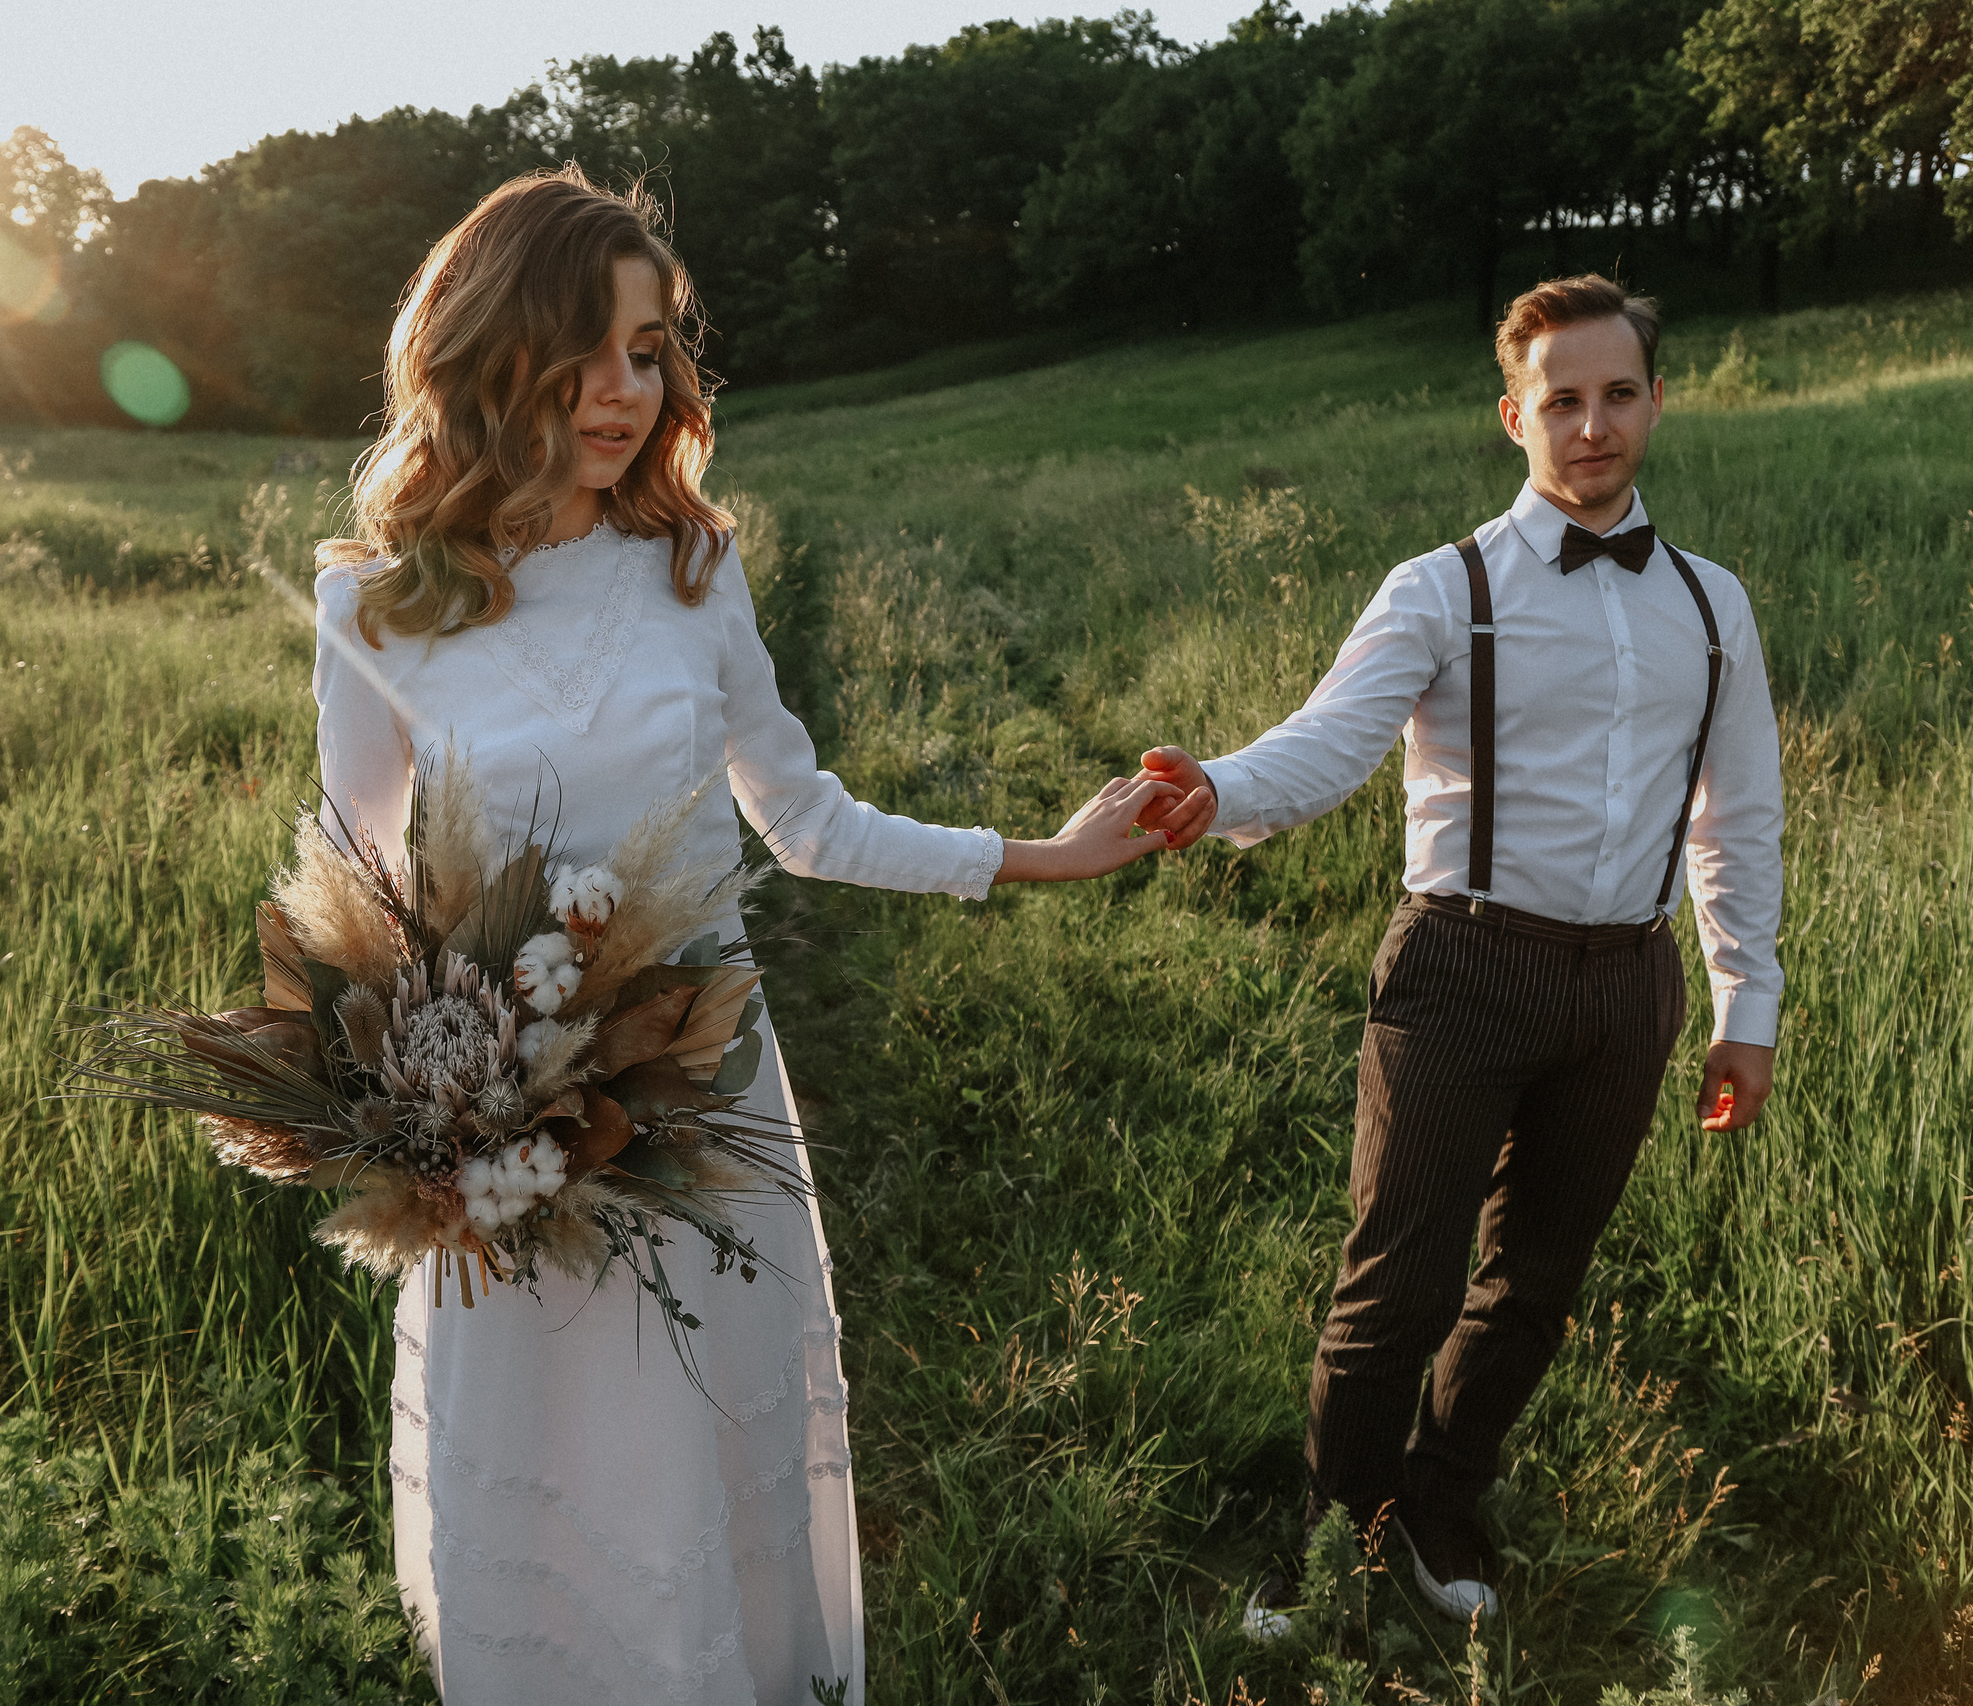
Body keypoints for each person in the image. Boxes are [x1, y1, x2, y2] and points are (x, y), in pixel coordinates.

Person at [311, 165, 1214, 1704]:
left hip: (712, 1099)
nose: (626, 389)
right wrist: (438, 1110)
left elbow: (805, 817)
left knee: (697, 1470)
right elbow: (364, 901)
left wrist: (1045, 855)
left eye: (652, 348)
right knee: (549, 1491)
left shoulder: (693, 569)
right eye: (590, 349)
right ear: (488, 352)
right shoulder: (378, 611)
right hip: (504, 1145)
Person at [1137, 274, 1784, 1629]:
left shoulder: (1716, 607)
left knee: (1536, 1281)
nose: (1592, 425)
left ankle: (1440, 1491)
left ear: (1656, 401)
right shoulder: (1442, 588)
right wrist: (1220, 785)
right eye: (1563, 400)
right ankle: (1335, 1536)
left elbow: (1740, 818)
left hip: (1628, 987)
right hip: (1462, 970)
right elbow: (1327, 742)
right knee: (1399, 1276)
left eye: (1619, 395)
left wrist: (1747, 1001)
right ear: (1514, 415)